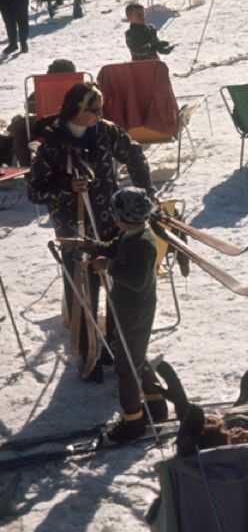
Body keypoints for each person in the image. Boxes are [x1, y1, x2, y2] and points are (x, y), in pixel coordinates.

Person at [28, 82, 154, 381]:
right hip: (76, 228)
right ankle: (89, 356)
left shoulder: (106, 131)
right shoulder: (53, 144)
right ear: (76, 110)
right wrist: (65, 187)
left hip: (112, 224)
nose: (100, 115)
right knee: (84, 292)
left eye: (101, 109)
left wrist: (145, 191)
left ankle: (114, 347)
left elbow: (134, 155)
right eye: (93, 110)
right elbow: (35, 191)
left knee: (116, 286)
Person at [71, 186, 168, 441]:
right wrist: (93, 247)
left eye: (116, 215)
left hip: (136, 308)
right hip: (127, 307)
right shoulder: (131, 234)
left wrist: (108, 265)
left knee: (126, 367)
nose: (113, 219)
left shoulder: (144, 243)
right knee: (134, 354)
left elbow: (136, 280)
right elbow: (114, 248)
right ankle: (155, 401)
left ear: (127, 217)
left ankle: (132, 421)